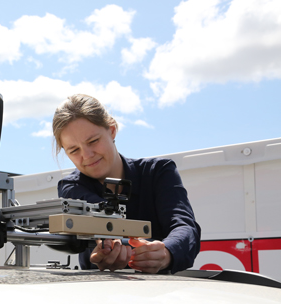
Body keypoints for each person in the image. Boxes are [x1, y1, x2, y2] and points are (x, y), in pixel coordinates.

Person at [53, 94, 201, 274]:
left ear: (112, 130)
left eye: (93, 141)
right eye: (74, 150)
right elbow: (100, 212)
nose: (87, 155)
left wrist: (167, 252)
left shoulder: (159, 172)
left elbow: (184, 227)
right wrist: (108, 243)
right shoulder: (70, 187)